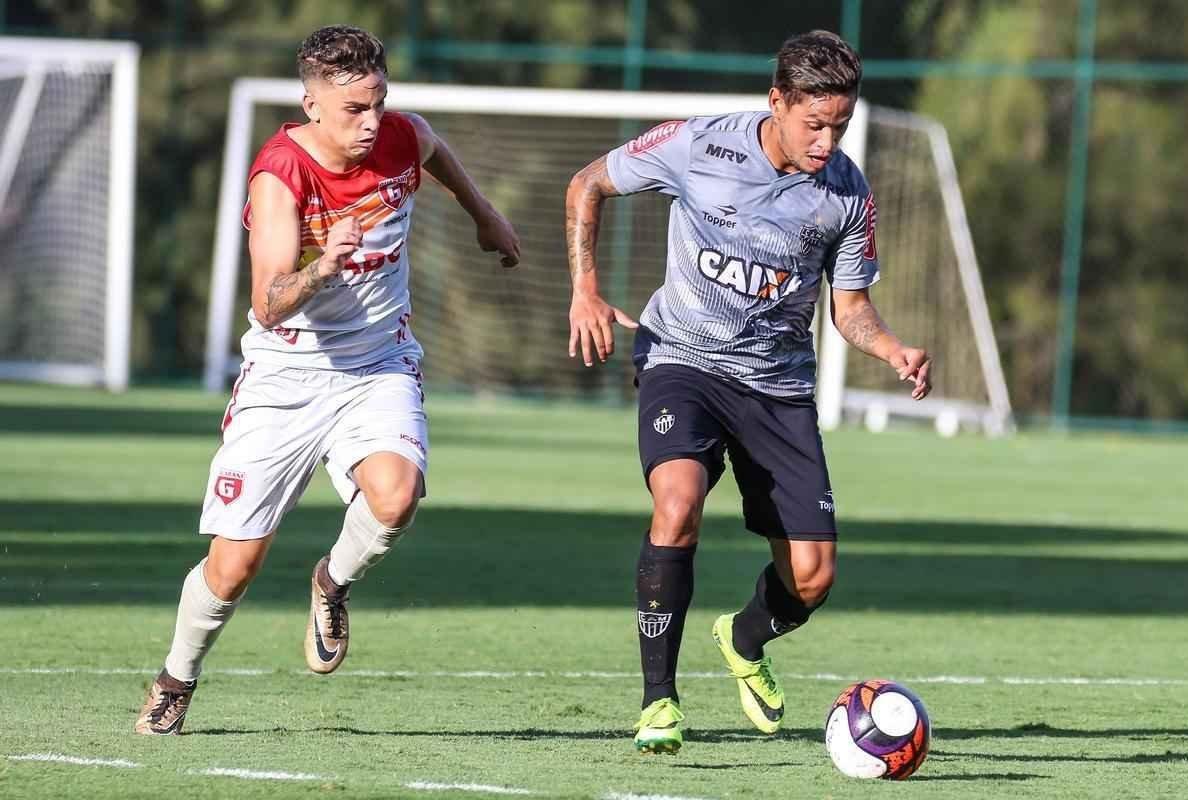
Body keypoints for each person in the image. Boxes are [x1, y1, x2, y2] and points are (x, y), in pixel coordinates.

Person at [135, 25, 520, 735]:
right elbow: (267, 300)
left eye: (379, 102)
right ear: (313, 104)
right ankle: (175, 678)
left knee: (397, 495)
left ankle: (331, 583)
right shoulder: (281, 174)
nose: (372, 123)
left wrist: (484, 215)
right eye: (354, 110)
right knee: (233, 568)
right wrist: (323, 265)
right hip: (287, 375)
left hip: (378, 361)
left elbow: (434, 150)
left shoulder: (401, 136)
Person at [564, 30, 931, 754]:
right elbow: (589, 183)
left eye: (840, 125)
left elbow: (850, 309)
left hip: (776, 388)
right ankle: (659, 703)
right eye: (813, 123)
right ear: (776, 101)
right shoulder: (700, 146)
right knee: (677, 505)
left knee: (813, 578)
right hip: (683, 360)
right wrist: (585, 289)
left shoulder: (847, 195)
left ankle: (741, 636)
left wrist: (892, 348)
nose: (827, 141)